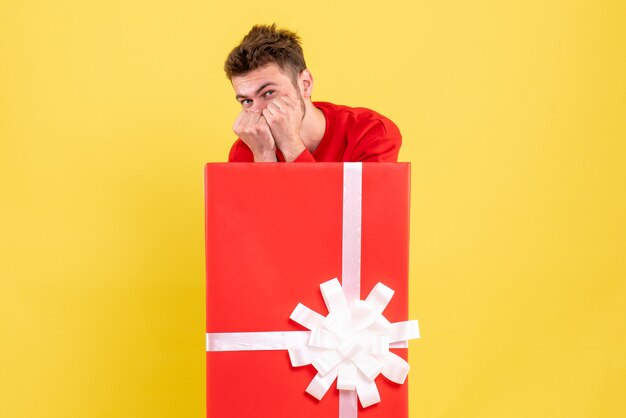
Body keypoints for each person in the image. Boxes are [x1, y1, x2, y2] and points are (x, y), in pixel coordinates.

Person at [224, 24, 402, 163]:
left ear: (305, 85)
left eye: (269, 92)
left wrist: (291, 146)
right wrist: (264, 156)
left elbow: (366, 209)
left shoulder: (371, 132)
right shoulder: (249, 148)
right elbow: (261, 211)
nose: (259, 111)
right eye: (247, 101)